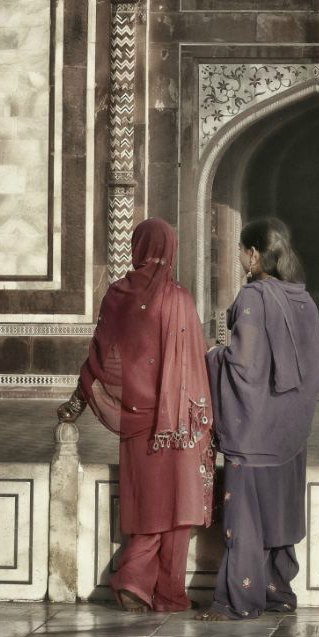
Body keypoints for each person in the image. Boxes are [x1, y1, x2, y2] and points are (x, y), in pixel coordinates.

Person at [57, 217, 216, 613]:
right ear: (172, 249)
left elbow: (100, 360)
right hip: (177, 424)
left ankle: (139, 583)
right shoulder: (179, 299)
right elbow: (197, 363)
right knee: (176, 509)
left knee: (149, 504)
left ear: (138, 247)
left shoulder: (116, 295)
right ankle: (155, 588)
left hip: (137, 420)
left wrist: (77, 404)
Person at [196, 217, 319, 621]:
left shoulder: (253, 297)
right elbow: (317, 366)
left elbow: (243, 363)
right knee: (277, 510)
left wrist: (214, 353)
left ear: (253, 254)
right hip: (290, 430)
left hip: (253, 431)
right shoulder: (304, 299)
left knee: (247, 515)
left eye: (241, 250)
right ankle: (276, 592)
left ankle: (239, 600)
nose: (239, 257)